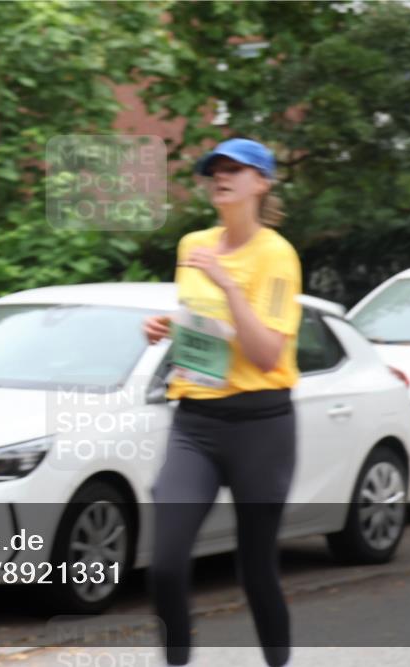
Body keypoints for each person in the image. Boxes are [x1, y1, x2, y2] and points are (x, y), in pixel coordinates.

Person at [142, 138, 302, 667]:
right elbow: (204, 329)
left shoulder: (276, 255)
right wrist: (165, 329)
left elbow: (262, 353)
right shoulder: (193, 245)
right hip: (197, 421)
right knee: (165, 563)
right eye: (215, 171)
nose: (222, 177)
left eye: (236, 170)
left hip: (261, 425)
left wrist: (229, 285)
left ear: (263, 182)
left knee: (256, 569)